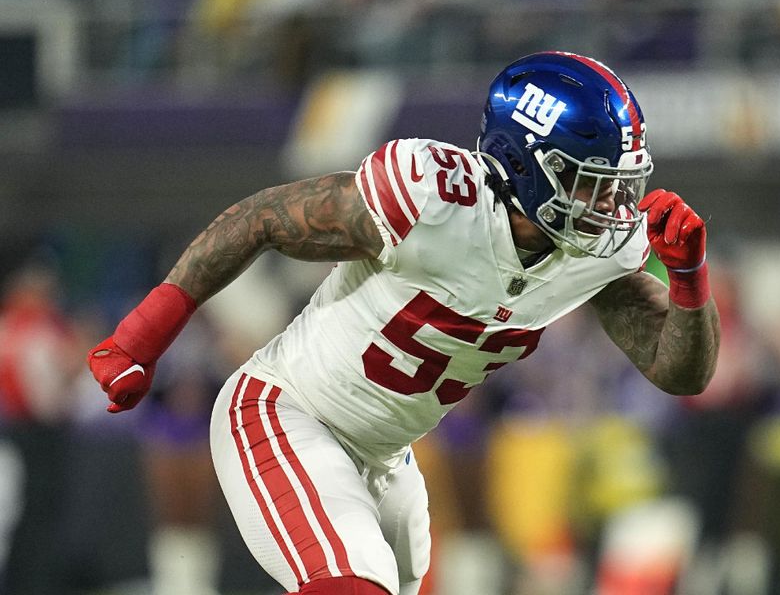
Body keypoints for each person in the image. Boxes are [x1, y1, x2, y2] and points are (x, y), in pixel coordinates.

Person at [87, 51, 720, 595]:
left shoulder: (598, 249)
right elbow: (265, 218)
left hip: (388, 461)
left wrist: (689, 280)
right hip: (287, 414)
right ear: (526, 166)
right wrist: (144, 334)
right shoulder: (434, 198)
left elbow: (679, 372)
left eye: (620, 184)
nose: (612, 205)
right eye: (590, 184)